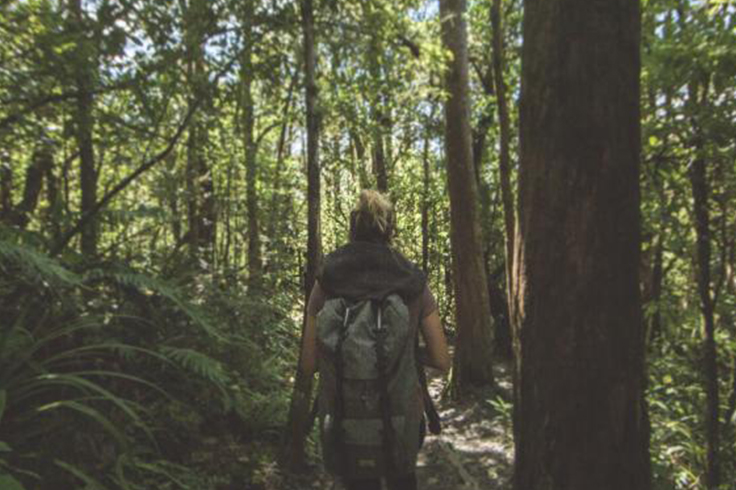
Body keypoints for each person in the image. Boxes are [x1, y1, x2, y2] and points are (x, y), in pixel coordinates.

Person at [299, 189, 451, 490]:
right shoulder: (413, 282)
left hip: (344, 420)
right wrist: (403, 352)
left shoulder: (326, 281)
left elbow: (307, 365)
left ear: (352, 229)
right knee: (402, 479)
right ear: (389, 231)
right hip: (402, 420)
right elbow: (442, 360)